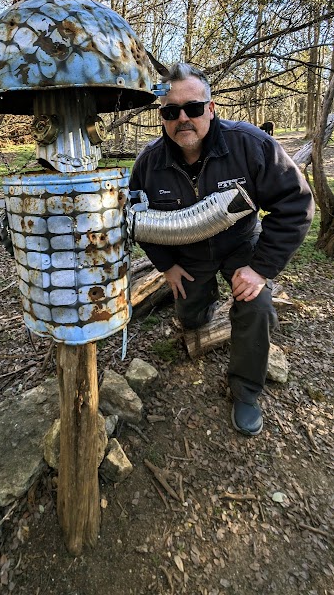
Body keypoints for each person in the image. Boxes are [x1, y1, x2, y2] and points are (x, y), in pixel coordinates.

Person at [129, 63, 314, 436]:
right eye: (171, 112)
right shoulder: (149, 164)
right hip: (187, 254)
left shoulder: (250, 145)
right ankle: (203, 308)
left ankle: (246, 390)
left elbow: (296, 205)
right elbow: (136, 221)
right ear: (161, 117)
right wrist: (165, 266)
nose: (183, 118)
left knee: (255, 303)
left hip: (241, 245)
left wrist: (260, 269)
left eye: (193, 108)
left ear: (211, 109)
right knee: (191, 319)